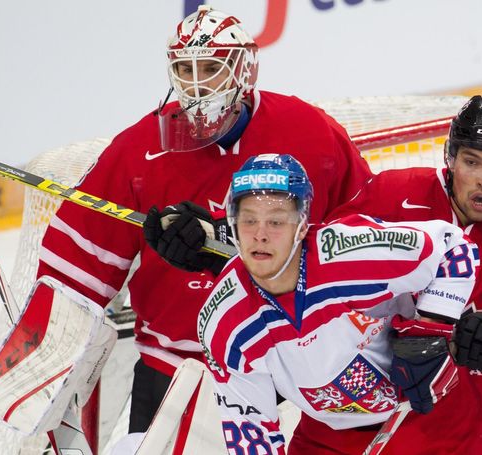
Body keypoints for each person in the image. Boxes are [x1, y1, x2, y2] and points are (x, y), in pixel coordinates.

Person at [36, 5, 372, 436]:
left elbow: (361, 235)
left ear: (244, 69)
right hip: (176, 371)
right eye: (185, 70)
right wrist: (47, 352)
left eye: (211, 67)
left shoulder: (309, 131)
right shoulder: (140, 149)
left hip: (293, 364)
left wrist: (221, 240)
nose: (197, 86)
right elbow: (72, 268)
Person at [325, 96, 482, 454]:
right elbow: (322, 273)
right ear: (450, 157)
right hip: (425, 434)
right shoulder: (390, 198)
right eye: (471, 161)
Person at [199, 153, 482, 454]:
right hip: (329, 436)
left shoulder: (347, 252)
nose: (260, 236)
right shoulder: (224, 319)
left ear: (302, 225)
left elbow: (454, 248)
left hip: (430, 415)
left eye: (276, 221)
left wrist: (430, 333)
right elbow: (250, 427)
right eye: (249, 220)